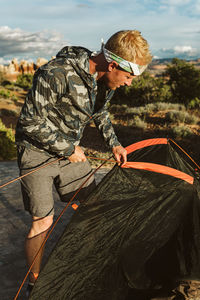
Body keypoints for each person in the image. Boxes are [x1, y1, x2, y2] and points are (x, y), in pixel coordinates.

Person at [15, 29, 152, 295]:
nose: (129, 84)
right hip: (36, 151)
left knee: (93, 207)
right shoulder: (56, 73)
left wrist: (113, 143)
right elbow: (29, 123)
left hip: (71, 152)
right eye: (128, 77)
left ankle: (88, 263)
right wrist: (67, 149)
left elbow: (100, 112)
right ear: (112, 65)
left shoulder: (104, 80)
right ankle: (36, 282)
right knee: (43, 221)